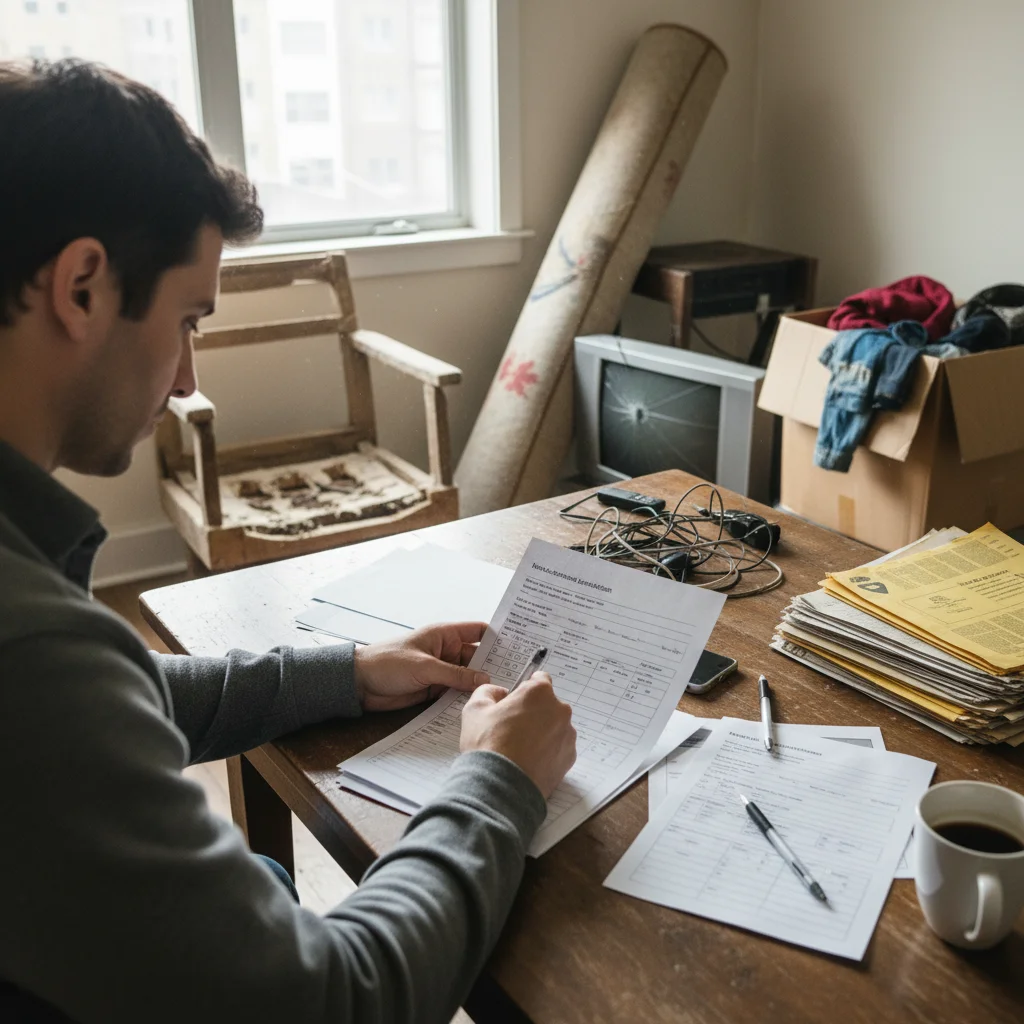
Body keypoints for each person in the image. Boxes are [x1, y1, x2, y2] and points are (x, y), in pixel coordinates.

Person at [0, 59, 577, 1024]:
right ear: (84, 285)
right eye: (187, 321)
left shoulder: (46, 658)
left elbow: (104, 699)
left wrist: (345, 672)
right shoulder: (30, 656)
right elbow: (338, 1001)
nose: (187, 380)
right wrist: (498, 782)